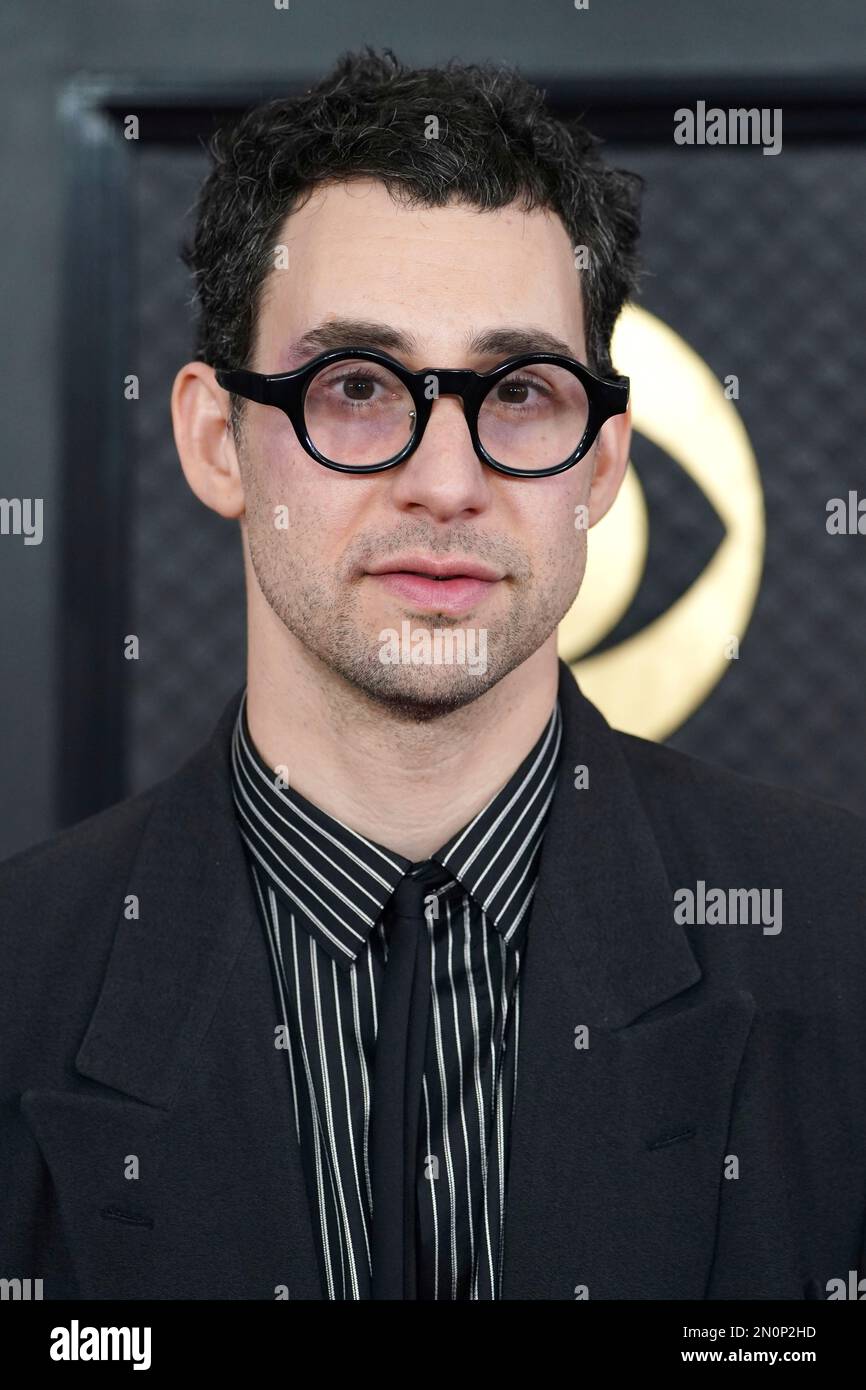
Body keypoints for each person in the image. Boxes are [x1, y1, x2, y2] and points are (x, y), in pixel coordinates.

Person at [1, 48, 864, 1302]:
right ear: (214, 440)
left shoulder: (843, 952)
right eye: (355, 387)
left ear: (604, 465)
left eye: (517, 391)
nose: (446, 480)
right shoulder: (21, 975)